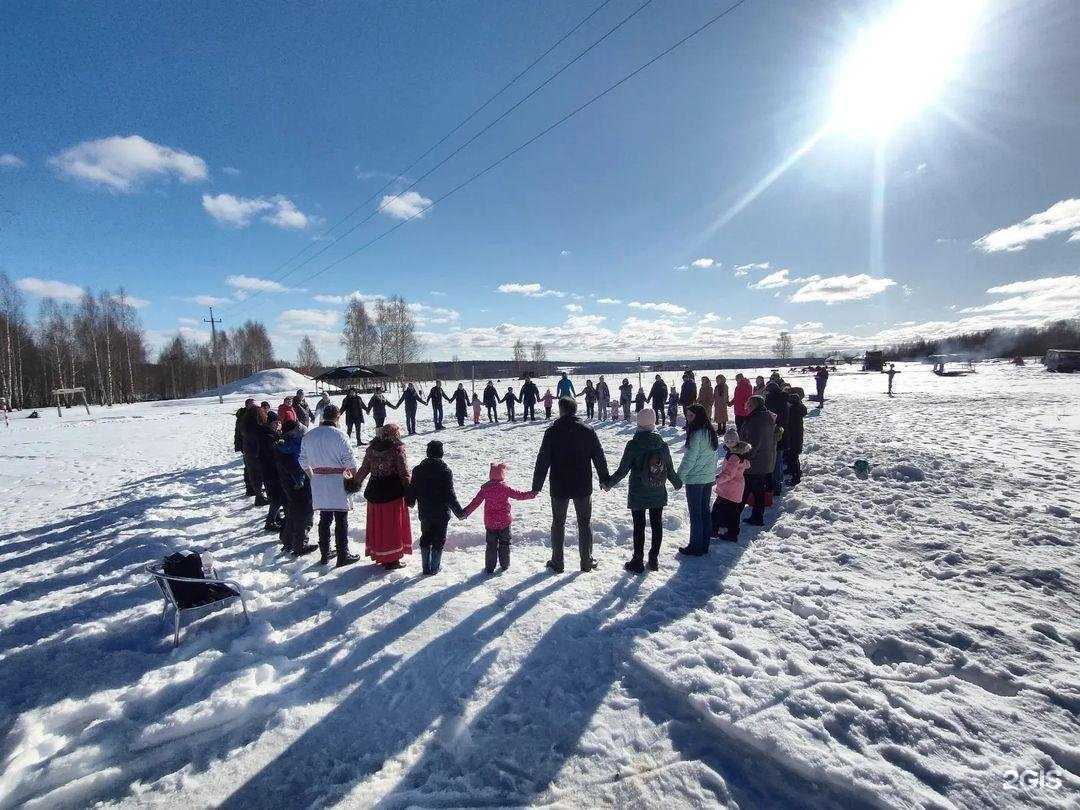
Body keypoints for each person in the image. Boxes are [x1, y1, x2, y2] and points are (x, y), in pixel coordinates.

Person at [531, 396, 609, 573]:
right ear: (574, 410)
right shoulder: (587, 430)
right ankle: (586, 561)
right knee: (584, 522)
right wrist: (604, 479)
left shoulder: (552, 431)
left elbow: (543, 460)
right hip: (582, 484)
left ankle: (557, 562)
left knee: (558, 523)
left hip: (559, 485)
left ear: (561, 409)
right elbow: (599, 456)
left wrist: (537, 485)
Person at [605, 408, 681, 573]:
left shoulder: (633, 445)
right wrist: (677, 482)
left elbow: (623, 470)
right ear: (653, 422)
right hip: (657, 490)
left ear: (638, 422)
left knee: (639, 526)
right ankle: (653, 560)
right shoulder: (662, 445)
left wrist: (608, 483)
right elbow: (669, 469)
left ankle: (637, 561)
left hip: (638, 492)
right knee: (657, 524)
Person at [298, 405, 361, 567]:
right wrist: (353, 480)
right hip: (337, 480)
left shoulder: (309, 435)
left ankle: (325, 554)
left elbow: (302, 460)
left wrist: (312, 475)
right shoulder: (339, 435)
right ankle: (342, 554)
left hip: (318, 480)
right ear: (337, 417)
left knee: (324, 518)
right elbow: (350, 462)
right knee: (341, 519)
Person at [353, 423, 412, 569]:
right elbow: (403, 472)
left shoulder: (371, 450)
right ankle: (393, 559)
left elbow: (363, 469)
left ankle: (380, 554)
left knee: (378, 524)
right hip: (393, 492)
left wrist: (354, 483)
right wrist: (409, 490)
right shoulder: (397, 450)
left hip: (374, 491)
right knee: (392, 526)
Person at [463, 463, 536, 574]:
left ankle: (490, 567)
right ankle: (504, 565)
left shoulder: (485, 488)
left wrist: (465, 512)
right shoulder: (505, 488)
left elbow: (476, 502)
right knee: (504, 544)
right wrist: (531, 494)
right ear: (502, 475)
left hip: (490, 523)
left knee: (491, 545)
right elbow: (519, 495)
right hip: (504, 522)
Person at [406, 440, 464, 575]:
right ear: (441, 453)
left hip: (425, 511)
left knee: (425, 537)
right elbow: (450, 494)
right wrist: (459, 512)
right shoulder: (445, 471)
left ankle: (425, 568)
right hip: (441, 513)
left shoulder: (418, 470)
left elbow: (412, 489)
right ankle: (435, 568)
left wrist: (410, 501)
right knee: (439, 539)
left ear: (428, 453)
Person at [676, 403, 718, 556]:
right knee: (704, 511)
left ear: (698, 416)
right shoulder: (709, 431)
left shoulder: (697, 434)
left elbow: (690, 459)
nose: (688, 418)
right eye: (687, 415)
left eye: (691, 416)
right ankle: (704, 544)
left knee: (696, 514)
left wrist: (678, 477)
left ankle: (695, 546)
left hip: (695, 479)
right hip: (707, 478)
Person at [274, 418, 316, 556]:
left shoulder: (281, 444)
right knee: (304, 513)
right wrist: (301, 480)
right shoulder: (294, 445)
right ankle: (300, 545)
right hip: (299, 485)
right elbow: (298, 466)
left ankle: (288, 541)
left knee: (292, 512)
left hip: (287, 484)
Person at [739, 395, 776, 527]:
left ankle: (732, 519)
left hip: (755, 462)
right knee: (758, 491)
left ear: (754, 405)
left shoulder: (756, 420)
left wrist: (744, 458)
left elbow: (754, 443)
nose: (746, 406)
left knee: (745, 490)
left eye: (748, 404)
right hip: (764, 459)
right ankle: (757, 517)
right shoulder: (766, 417)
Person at [711, 434, 752, 542]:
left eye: (732, 441)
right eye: (727, 441)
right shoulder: (740, 453)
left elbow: (729, 474)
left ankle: (714, 530)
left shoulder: (734, 456)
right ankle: (731, 532)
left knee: (717, 510)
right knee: (733, 511)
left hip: (729, 488)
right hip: (736, 487)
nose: (729, 443)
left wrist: (716, 480)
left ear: (737, 441)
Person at [256, 411, 285, 532]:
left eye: (279, 422)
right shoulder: (267, 435)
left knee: (276, 496)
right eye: (275, 422)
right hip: (270, 471)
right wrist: (279, 438)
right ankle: (270, 521)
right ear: (270, 423)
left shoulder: (270, 433)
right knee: (276, 498)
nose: (278, 424)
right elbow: (273, 452)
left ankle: (276, 518)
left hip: (271, 470)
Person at [764, 380, 790, 497]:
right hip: (783, 431)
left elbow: (769, 416)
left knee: (774, 460)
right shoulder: (783, 399)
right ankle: (778, 483)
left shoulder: (771, 400)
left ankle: (775, 485)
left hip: (774, 432)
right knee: (778, 459)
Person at [240, 402, 267, 505]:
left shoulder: (245, 423)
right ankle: (260, 497)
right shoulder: (257, 427)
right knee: (260, 474)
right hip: (257, 453)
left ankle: (258, 496)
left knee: (253, 474)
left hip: (248, 451)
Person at [785, 387, 807, 486]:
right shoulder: (797, 409)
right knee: (792, 456)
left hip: (794, 438)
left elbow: (790, 426)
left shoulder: (793, 411)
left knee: (794, 457)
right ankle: (791, 470)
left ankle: (796, 477)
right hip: (796, 437)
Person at [234, 398, 256, 496]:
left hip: (253, 443)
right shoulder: (243, 416)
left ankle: (254, 487)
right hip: (246, 444)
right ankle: (250, 489)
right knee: (248, 467)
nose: (254, 406)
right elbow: (240, 432)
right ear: (247, 405)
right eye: (252, 404)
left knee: (253, 466)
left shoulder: (253, 413)